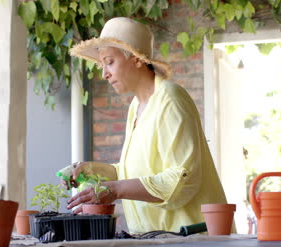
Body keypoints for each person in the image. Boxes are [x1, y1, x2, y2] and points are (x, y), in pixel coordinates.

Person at [63, 17, 228, 234]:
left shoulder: (170, 99)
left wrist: (115, 190)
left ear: (137, 59)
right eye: (101, 65)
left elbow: (183, 179)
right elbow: (136, 172)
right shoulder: (136, 107)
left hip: (193, 241)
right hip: (158, 242)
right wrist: (90, 171)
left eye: (110, 62)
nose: (104, 73)